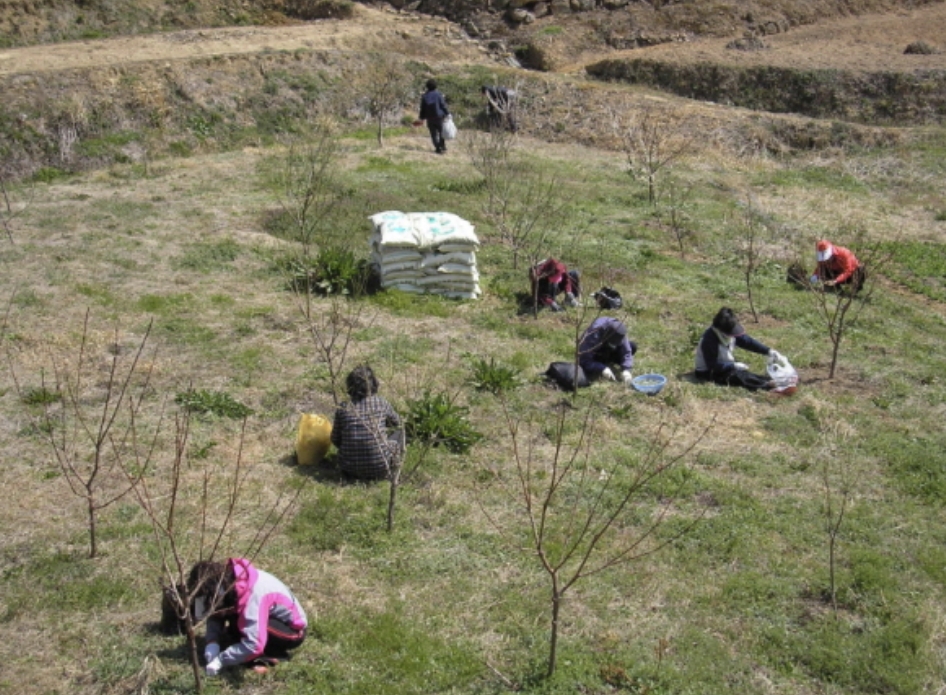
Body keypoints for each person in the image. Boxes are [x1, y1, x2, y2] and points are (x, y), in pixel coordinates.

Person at [190, 558, 307, 676]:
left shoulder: (253, 597)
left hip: (291, 631)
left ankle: (271, 655)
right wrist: (212, 641)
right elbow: (216, 611)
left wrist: (221, 660)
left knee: (252, 640)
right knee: (236, 625)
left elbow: (254, 644)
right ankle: (244, 649)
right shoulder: (229, 583)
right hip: (261, 615)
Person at [331, 365, 405, 481]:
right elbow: (398, 423)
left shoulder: (343, 407)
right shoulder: (381, 403)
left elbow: (335, 439)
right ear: (374, 384)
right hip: (381, 468)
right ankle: (393, 465)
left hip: (349, 469)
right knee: (401, 433)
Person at [694, 307, 785, 391]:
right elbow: (712, 366)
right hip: (709, 373)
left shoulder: (727, 334)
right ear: (720, 329)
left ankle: (775, 381)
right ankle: (767, 386)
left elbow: (747, 342)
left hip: (725, 367)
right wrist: (732, 366)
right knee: (738, 376)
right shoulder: (709, 340)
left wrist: (768, 351)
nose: (733, 335)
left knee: (745, 374)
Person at [578, 317, 637, 385]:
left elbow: (626, 351)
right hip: (597, 351)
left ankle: (607, 360)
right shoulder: (593, 334)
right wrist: (602, 368)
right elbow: (583, 359)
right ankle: (600, 363)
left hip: (607, 347)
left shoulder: (619, 331)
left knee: (632, 346)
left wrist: (627, 369)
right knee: (586, 368)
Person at [417, 79, 450, 154]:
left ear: (427, 87)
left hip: (430, 118)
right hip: (439, 117)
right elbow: (443, 105)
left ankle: (438, 148)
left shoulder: (425, 96)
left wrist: (421, 118)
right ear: (435, 86)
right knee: (442, 133)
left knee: (433, 134)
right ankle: (442, 145)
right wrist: (447, 113)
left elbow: (423, 108)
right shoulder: (438, 94)